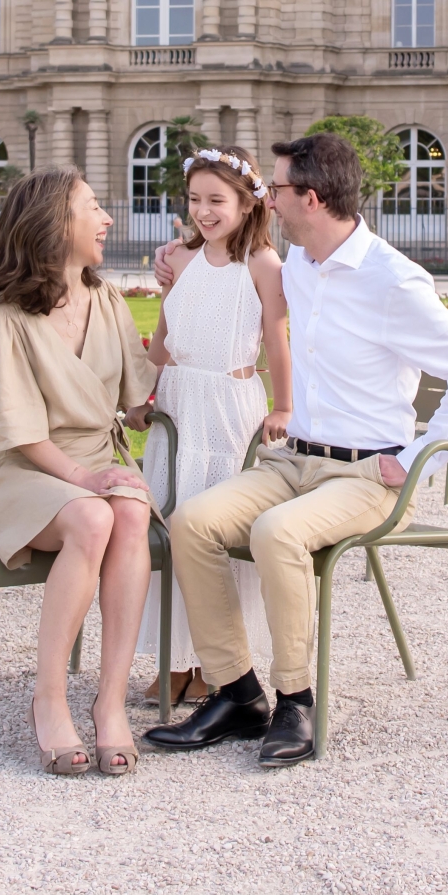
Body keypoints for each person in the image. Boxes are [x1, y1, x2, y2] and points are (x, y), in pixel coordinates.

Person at [143, 131, 448, 766]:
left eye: (275, 189)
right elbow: (222, 271)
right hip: (291, 461)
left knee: (276, 533)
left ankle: (296, 700)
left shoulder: (393, 281)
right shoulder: (297, 266)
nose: (266, 199)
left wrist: (417, 460)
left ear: (311, 197)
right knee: (190, 522)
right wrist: (173, 257)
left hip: (365, 477)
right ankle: (237, 693)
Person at [0, 167, 156, 777]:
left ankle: (110, 703)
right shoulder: (3, 316)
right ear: (56, 223)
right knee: (94, 516)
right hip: (30, 474)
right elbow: (20, 431)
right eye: (93, 207)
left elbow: (139, 403)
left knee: (131, 509)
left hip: (97, 465)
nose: (107, 219)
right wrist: (85, 480)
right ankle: (50, 698)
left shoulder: (108, 301)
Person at [135, 145, 291, 707]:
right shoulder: (178, 259)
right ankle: (174, 659)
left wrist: (283, 407)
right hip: (179, 405)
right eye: (195, 199)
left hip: (228, 408)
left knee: (213, 534)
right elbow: (163, 340)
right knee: (168, 522)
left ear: (248, 203)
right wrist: (141, 395)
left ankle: (215, 662)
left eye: (216, 200)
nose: (203, 211)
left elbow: (277, 341)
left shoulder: (264, 265)